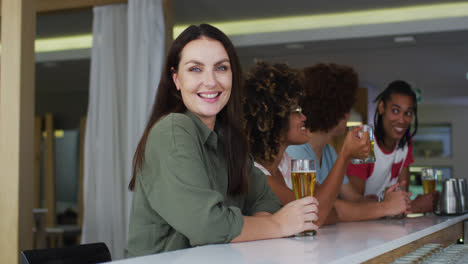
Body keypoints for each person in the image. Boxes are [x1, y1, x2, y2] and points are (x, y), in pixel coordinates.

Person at [125, 24, 319, 257]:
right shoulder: (174, 129)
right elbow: (207, 226)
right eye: (195, 69)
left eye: (221, 68)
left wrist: (242, 226)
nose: (210, 81)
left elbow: (267, 203)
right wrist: (277, 225)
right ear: (177, 79)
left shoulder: (229, 139)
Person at [243, 61, 368, 227]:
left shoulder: (286, 163)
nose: (304, 118)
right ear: (275, 119)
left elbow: (330, 211)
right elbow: (318, 216)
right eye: (297, 112)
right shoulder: (255, 174)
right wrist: (345, 154)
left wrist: (319, 211)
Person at [287, 63, 411, 222]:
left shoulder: (329, 152)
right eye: (345, 107)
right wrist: (385, 207)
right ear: (332, 110)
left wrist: (385, 201)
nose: (348, 114)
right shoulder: (295, 151)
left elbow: (354, 199)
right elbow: (324, 207)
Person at [346, 80, 438, 213]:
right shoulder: (365, 141)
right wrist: (413, 206)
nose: (401, 120)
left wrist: (409, 204)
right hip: (360, 228)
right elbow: (353, 204)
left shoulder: (405, 143)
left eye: (407, 113)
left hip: (387, 226)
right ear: (382, 107)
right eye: (395, 111)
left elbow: (402, 197)